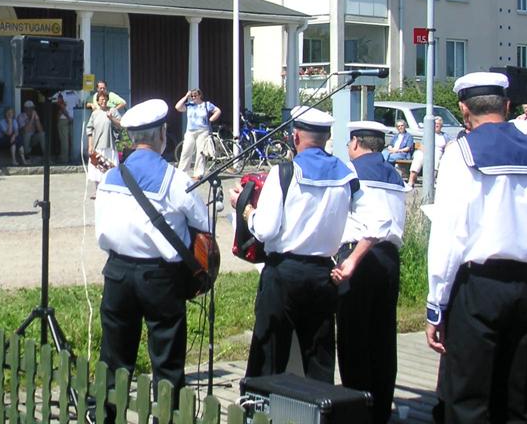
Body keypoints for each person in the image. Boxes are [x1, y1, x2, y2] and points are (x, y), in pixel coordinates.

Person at [426, 72, 527, 424]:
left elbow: (449, 235)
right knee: (521, 400)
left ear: (464, 110)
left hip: (479, 286)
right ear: (507, 105)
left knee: (470, 399)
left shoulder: (462, 152)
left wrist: (437, 303)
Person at [229, 106, 357, 382]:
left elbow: (265, 229)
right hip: (323, 272)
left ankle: (261, 403)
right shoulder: (346, 174)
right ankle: (319, 404)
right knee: (319, 358)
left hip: (284, 272)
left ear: (295, 136)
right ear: (326, 137)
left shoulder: (284, 172)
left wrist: (246, 210)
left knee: (269, 354)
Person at [95, 99, 209, 404]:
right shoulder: (176, 180)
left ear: (132, 137)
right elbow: (203, 224)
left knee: (113, 358)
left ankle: (105, 414)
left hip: (117, 273)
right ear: (161, 134)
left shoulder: (110, 177)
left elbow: (102, 227)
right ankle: (167, 414)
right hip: (160, 277)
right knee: (167, 361)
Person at [332, 121, 407, 424]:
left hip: (358, 256)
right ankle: (381, 408)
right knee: (383, 336)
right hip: (389, 258)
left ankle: (357, 406)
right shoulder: (394, 174)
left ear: (355, 143)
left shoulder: (352, 172)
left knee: (353, 337)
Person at [175, 88, 221, 179]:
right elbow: (177, 107)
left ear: (200, 95)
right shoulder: (189, 105)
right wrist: (186, 96)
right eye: (192, 96)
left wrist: (211, 119)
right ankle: (182, 173)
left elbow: (218, 110)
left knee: (200, 153)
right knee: (186, 151)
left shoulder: (206, 104)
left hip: (203, 131)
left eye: (195, 95)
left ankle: (198, 174)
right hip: (190, 131)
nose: (193, 97)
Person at [86, 90, 121, 198]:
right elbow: (89, 130)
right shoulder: (94, 113)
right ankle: (98, 190)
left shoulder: (113, 111)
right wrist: (90, 146)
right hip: (97, 145)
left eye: (105, 99)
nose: (104, 101)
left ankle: (111, 190)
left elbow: (121, 124)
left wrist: (111, 118)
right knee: (97, 168)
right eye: (101, 99)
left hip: (110, 144)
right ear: (98, 101)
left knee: (110, 168)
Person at [406, 116, 451, 190]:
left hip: (438, 152)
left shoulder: (445, 136)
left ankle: (431, 182)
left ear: (441, 125)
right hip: (426, 152)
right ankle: (411, 181)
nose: (436, 125)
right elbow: (421, 145)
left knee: (436, 156)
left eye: (438, 124)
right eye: (435, 123)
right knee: (418, 156)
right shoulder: (428, 134)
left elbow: (449, 145)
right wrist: (426, 152)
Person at [18, 100, 43, 164]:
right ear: (25, 109)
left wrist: (37, 119)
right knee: (27, 134)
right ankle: (27, 156)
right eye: (29, 108)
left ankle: (46, 156)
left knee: (42, 134)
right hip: (23, 138)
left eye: (32, 108)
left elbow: (40, 130)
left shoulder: (35, 115)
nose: (31, 110)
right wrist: (32, 118)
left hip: (32, 138)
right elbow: (26, 130)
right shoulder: (21, 116)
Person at [54, 93, 74, 164]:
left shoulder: (62, 93)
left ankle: (64, 159)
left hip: (64, 118)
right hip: (73, 118)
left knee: (64, 140)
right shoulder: (77, 93)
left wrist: (68, 117)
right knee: (72, 140)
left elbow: (60, 105)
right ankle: (72, 158)